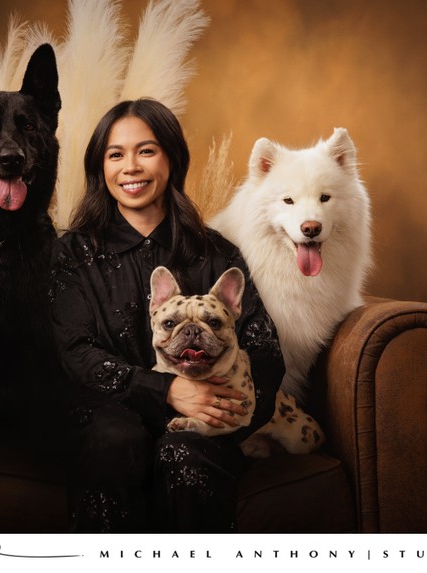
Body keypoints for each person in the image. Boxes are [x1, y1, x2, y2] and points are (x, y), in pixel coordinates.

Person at [50, 98, 284, 532]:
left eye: (146, 150)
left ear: (172, 159)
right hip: (109, 415)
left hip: (206, 416)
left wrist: (226, 410)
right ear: (99, 168)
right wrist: (166, 389)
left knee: (185, 451)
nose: (130, 167)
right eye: (115, 155)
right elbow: (75, 351)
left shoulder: (215, 252)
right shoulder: (72, 255)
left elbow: (264, 350)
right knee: (113, 441)